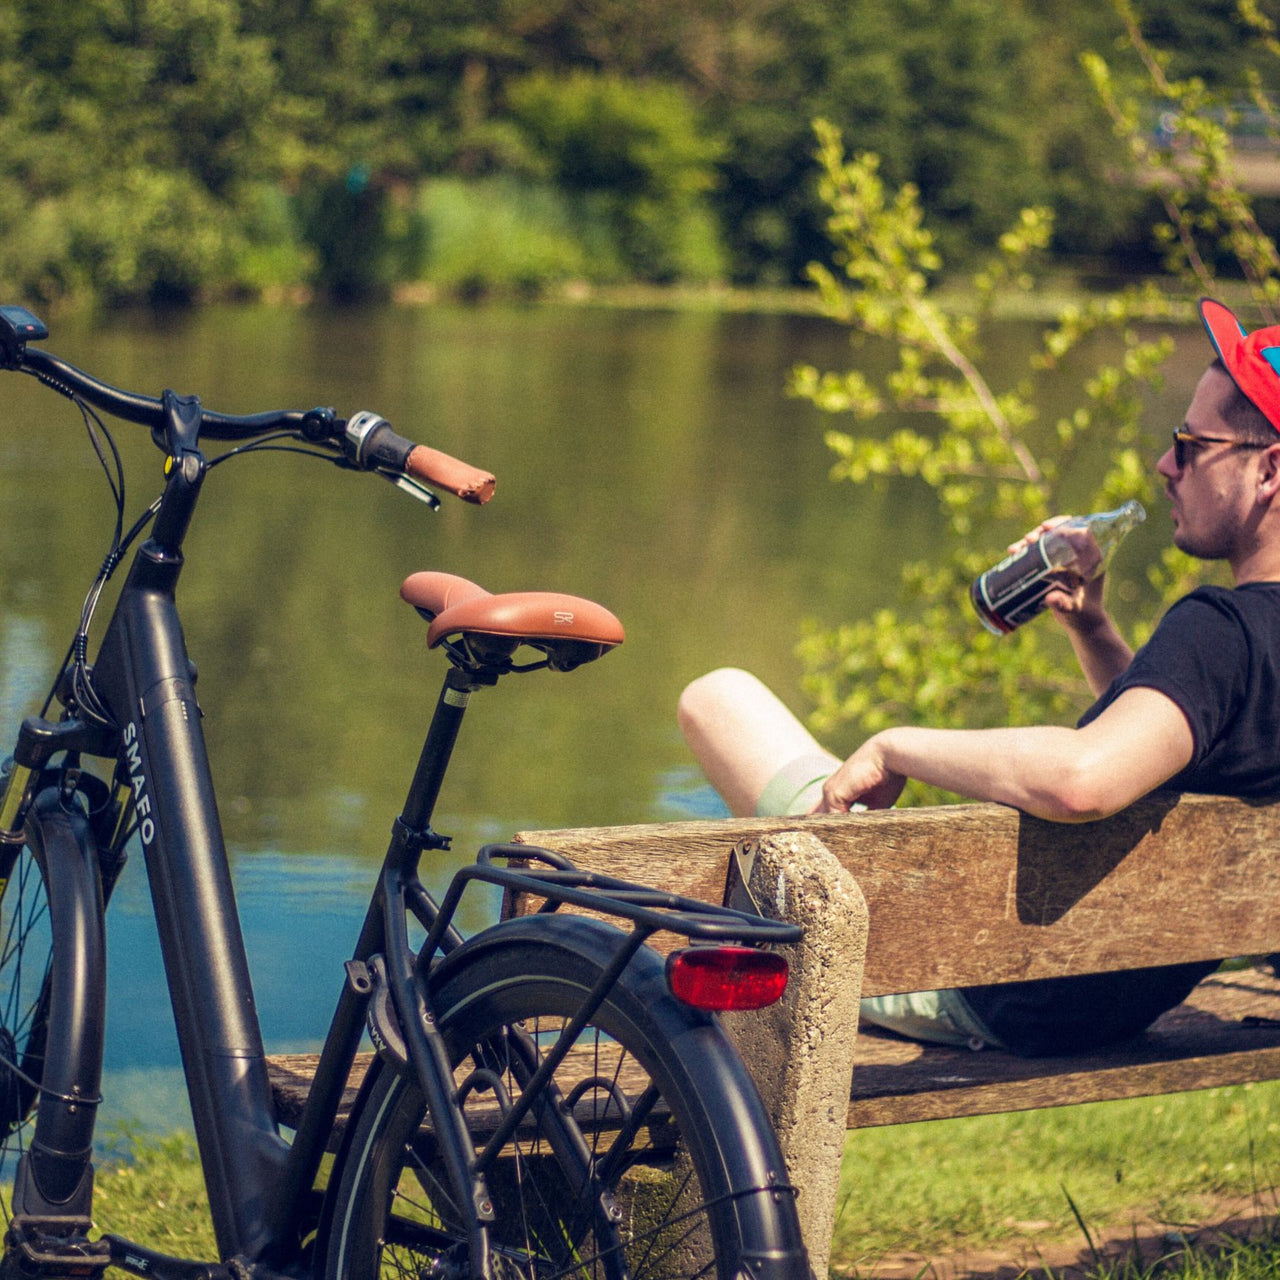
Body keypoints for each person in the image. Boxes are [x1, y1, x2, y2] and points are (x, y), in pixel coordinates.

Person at [678, 297, 1280, 1056]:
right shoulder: (1243, 645)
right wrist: (1093, 627)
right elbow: (1180, 749)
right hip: (1112, 997)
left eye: (1190, 444)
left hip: (994, 986)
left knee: (718, 697)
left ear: (1268, 469)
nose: (1165, 465)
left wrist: (896, 747)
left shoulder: (1217, 629)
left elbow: (1083, 782)